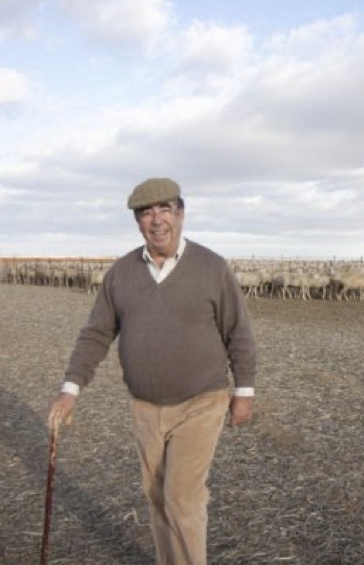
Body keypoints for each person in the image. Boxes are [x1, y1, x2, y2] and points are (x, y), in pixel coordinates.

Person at [47, 177, 257, 565]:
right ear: (137, 222)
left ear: (181, 213)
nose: (157, 220)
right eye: (147, 212)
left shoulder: (212, 268)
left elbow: (238, 332)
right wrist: (70, 389)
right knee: (157, 497)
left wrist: (244, 392)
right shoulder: (121, 273)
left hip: (201, 401)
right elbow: (96, 334)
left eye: (165, 210)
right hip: (145, 406)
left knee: (182, 497)